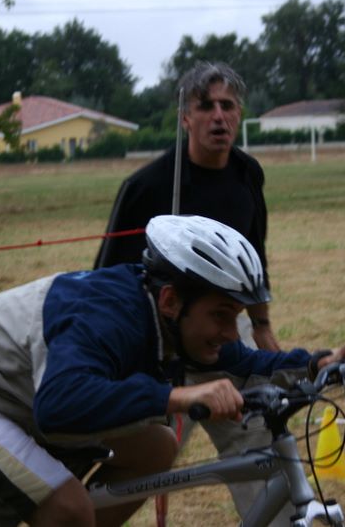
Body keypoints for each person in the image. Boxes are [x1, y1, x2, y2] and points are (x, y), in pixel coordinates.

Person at [0, 215, 345, 527]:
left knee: (157, 447)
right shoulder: (107, 315)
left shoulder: (166, 318)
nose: (232, 332)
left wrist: (319, 361)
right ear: (171, 300)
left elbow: (243, 360)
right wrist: (176, 397)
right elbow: (60, 404)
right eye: (222, 315)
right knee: (67, 509)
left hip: (15, 398)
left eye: (237, 316)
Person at [94, 61, 280, 352]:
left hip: (223, 321)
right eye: (205, 106)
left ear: (239, 114)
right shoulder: (146, 186)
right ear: (185, 119)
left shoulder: (248, 173)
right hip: (154, 327)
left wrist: (262, 327)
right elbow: (105, 278)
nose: (218, 116)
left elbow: (253, 256)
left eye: (227, 106)